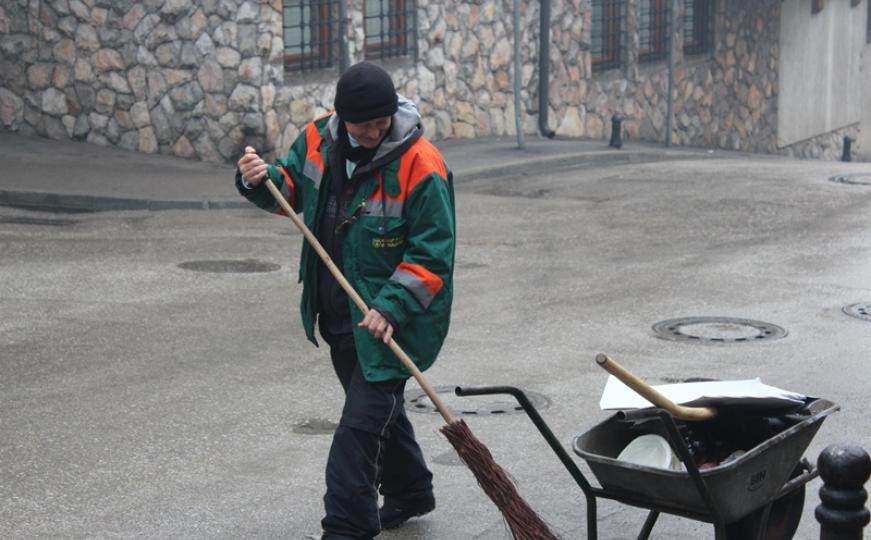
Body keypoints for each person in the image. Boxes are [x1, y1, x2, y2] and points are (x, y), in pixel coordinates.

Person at [234, 61, 455, 539]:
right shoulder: (317, 139)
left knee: (357, 431)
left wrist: (391, 305)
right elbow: (289, 192)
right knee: (380, 416)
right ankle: (411, 490)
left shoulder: (423, 165)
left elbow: (432, 255)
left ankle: (347, 527)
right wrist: (259, 179)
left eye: (382, 122)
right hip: (338, 312)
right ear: (342, 117)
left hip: (395, 323)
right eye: (364, 125)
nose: (375, 132)